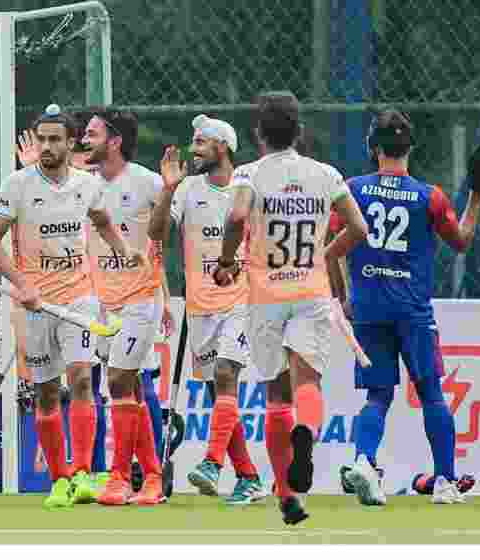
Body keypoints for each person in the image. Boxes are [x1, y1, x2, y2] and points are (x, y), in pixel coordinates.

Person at [329, 110, 480, 506]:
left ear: (373, 148)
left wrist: (343, 297)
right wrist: (477, 193)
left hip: (368, 307)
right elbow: (461, 240)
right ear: (410, 147)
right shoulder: (430, 196)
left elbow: (332, 247)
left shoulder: (352, 189)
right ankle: (445, 482)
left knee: (377, 396)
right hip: (412, 310)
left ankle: (363, 460)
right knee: (431, 394)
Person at [212, 91, 368, 525]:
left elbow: (239, 218)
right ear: (299, 131)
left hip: (265, 297)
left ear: (258, 133)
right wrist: (323, 254)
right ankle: (307, 436)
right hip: (311, 293)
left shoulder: (249, 173)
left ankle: (287, 496)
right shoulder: (326, 174)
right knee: (309, 384)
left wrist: (227, 261)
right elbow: (358, 228)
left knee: (275, 395)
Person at [0, 104, 144, 509]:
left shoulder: (87, 185)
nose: (48, 146)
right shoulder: (16, 185)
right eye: (43, 139)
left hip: (80, 296)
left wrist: (124, 250)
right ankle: (59, 480)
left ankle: (85, 473)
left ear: (71, 144)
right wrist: (22, 285)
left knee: (82, 379)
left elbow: (102, 220)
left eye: (56, 140)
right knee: (46, 392)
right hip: (36, 304)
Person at [149, 114, 269, 506]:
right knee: (219, 394)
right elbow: (158, 235)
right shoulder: (186, 189)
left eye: (201, 143)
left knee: (224, 375)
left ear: (223, 147)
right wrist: (167, 190)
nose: (193, 149)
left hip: (243, 302)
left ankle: (212, 463)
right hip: (201, 307)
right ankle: (249, 476)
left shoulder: (248, 189)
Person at [80, 107, 172, 506]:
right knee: (129, 387)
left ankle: (119, 477)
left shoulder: (149, 182)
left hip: (140, 299)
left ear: (114, 141)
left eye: (92, 134)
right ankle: (152, 478)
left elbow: (162, 237)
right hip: (103, 301)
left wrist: (168, 193)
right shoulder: (83, 184)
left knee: (117, 381)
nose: (85, 140)